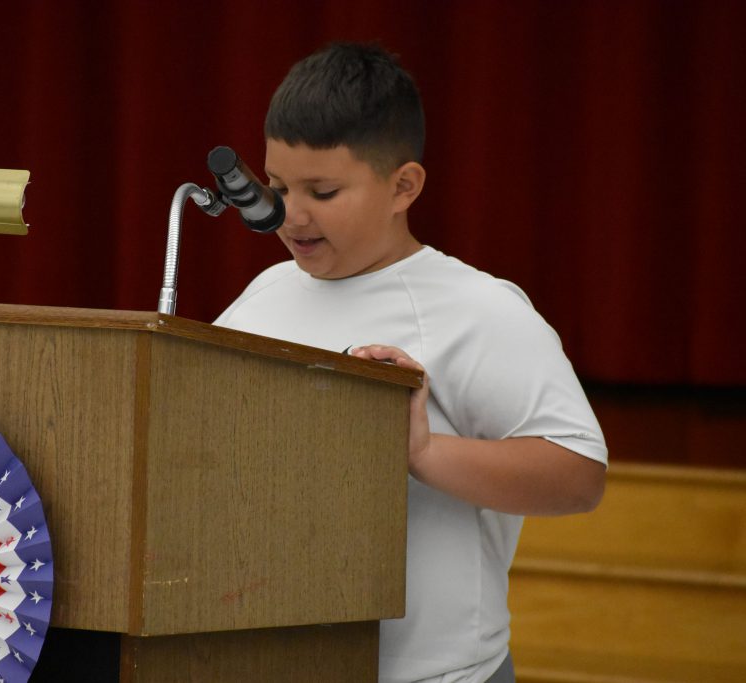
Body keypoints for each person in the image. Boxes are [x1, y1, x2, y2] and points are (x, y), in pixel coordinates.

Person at [213, 42, 608, 683]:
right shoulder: (265, 292)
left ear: (404, 186)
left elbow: (579, 476)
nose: (293, 214)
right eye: (278, 186)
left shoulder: (478, 307)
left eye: (324, 190)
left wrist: (423, 453)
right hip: (270, 658)